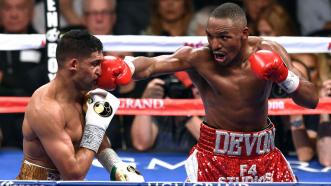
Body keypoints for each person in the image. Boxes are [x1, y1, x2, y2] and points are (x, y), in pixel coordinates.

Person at [100, 3, 319, 182]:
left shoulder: (268, 51)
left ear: (244, 34)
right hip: (214, 157)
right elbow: (152, 65)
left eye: (224, 37)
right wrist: (125, 67)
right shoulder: (199, 59)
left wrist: (284, 77)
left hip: (263, 154)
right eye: (210, 36)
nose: (215, 45)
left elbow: (311, 100)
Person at [16, 30, 144, 181]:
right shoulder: (45, 108)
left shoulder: (84, 93)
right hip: (38, 184)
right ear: (74, 64)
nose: (100, 71)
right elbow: (74, 174)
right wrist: (96, 127)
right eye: (95, 64)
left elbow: (99, 142)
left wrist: (118, 167)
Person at [131, 75, 202, 152]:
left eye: (194, 87)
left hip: (195, 162)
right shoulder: (159, 110)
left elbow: (213, 144)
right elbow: (141, 145)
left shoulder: (210, 110)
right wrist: (146, 101)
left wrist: (183, 111)